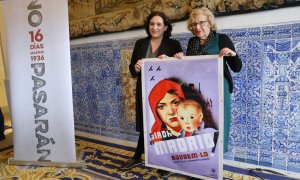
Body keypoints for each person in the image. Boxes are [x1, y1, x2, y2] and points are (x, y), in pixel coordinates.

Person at [122, 11, 183, 177]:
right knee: (146, 124)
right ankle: (137, 157)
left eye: (158, 24)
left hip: (166, 94)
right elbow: (132, 69)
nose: (154, 27)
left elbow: (181, 69)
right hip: (145, 90)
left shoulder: (173, 44)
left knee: (165, 125)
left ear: (165, 27)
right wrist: (136, 67)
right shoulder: (140, 43)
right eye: (151, 24)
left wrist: (174, 58)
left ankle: (166, 162)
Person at [182, 7, 242, 153]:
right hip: (199, 89)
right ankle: (201, 160)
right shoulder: (192, 42)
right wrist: (180, 60)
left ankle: (217, 160)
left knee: (219, 122)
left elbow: (237, 67)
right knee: (201, 123)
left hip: (219, 87)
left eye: (201, 23)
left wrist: (232, 55)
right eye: (194, 24)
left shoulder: (222, 39)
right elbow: (189, 67)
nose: (197, 27)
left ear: (209, 22)